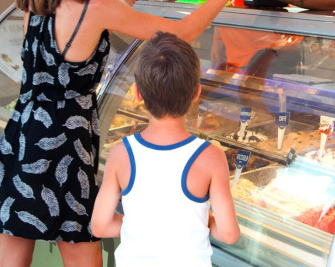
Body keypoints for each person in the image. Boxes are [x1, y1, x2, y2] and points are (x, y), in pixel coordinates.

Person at [0, 0, 263, 267]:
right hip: (65, 143)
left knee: (13, 250)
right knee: (81, 251)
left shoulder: (35, 3)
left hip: (24, 133)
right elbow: (182, 33)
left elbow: (82, 30)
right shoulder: (94, 6)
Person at [91, 31, 240, 265]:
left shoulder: (121, 153)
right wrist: (204, 220)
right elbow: (229, 234)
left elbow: (100, 226)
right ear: (196, 93)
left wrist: (141, 225)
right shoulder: (210, 156)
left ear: (138, 94)